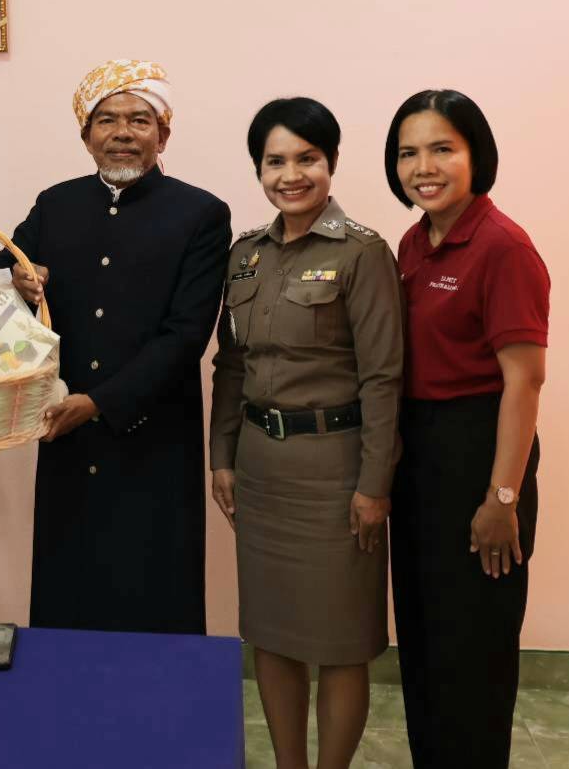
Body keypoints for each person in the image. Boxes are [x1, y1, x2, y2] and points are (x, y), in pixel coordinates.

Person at [0, 59, 230, 633]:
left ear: (163, 134)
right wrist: (17, 279)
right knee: (68, 595)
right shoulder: (55, 204)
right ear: (86, 136)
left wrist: (98, 403)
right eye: (107, 120)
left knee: (153, 595)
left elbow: (186, 334)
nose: (123, 133)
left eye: (139, 120)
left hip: (153, 440)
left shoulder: (200, 213)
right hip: (65, 437)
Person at [208, 98, 402, 769]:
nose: (291, 175)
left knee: (342, 642)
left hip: (336, 473)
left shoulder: (363, 253)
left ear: (331, 162)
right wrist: (221, 454)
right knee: (272, 634)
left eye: (306, 159)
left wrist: (374, 484)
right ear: (259, 169)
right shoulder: (245, 256)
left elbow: (384, 378)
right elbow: (231, 365)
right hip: (261, 469)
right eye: (275, 161)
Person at [385, 90, 548, 769]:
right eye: (408, 152)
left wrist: (502, 497)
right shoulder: (414, 242)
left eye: (442, 148)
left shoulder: (503, 246)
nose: (423, 167)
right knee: (424, 642)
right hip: (418, 459)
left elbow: (525, 381)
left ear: (476, 154)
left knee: (472, 655)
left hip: (479, 455)